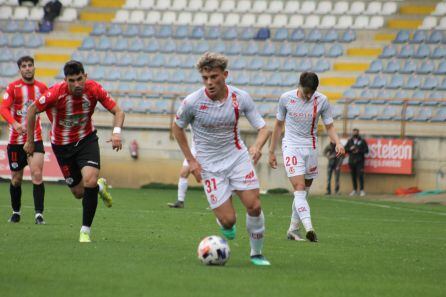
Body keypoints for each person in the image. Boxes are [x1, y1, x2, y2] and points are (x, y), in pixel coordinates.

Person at [172, 52, 271, 266]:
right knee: (229, 220)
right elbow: (176, 128)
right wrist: (191, 160)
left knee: (254, 206)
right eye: (205, 78)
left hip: (237, 158)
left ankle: (257, 254)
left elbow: (263, 128)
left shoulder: (240, 97)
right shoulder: (192, 102)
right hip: (209, 166)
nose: (209, 83)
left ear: (225, 75)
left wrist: (257, 146)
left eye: (214, 77)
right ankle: (226, 222)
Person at [24, 60, 125, 243]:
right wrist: (30, 141)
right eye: (72, 80)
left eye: (80, 79)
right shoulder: (55, 93)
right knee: (79, 192)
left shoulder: (94, 89)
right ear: (66, 80)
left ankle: (85, 231)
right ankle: (99, 187)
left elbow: (118, 111)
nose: (77, 84)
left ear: (85, 76)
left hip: (86, 139)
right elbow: (32, 111)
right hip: (62, 147)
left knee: (90, 179)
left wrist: (116, 133)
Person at [269, 72, 345, 242]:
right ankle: (309, 227)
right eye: (306, 92)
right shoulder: (286, 98)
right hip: (291, 146)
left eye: (312, 92)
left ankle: (293, 230)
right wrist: (272, 151)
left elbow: (330, 126)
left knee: (303, 192)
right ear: (299, 86)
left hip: (310, 148)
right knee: (299, 187)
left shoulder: (322, 101)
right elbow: (278, 125)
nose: (309, 95)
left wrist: (338, 143)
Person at [0, 56, 47, 224]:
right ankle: (16, 212)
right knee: (16, 179)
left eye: (30, 65)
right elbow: (3, 108)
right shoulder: (13, 88)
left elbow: (49, 108)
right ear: (20, 69)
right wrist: (14, 123)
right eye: (24, 66)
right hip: (15, 141)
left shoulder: (42, 87)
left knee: (37, 174)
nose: (27, 68)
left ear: (34, 67)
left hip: (36, 138)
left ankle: (39, 214)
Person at [167, 136, 196, 209]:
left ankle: (216, 203)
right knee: (183, 173)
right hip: (194, 150)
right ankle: (180, 201)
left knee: (210, 176)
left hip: (208, 150)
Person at [345, 128, 368, 197]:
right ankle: (354, 190)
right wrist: (350, 149)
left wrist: (359, 150)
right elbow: (345, 149)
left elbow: (366, 150)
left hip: (360, 161)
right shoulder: (350, 141)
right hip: (351, 161)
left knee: (360, 176)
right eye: (354, 132)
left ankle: (362, 190)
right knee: (353, 176)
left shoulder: (362, 141)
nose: (355, 134)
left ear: (358, 133)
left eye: (356, 132)